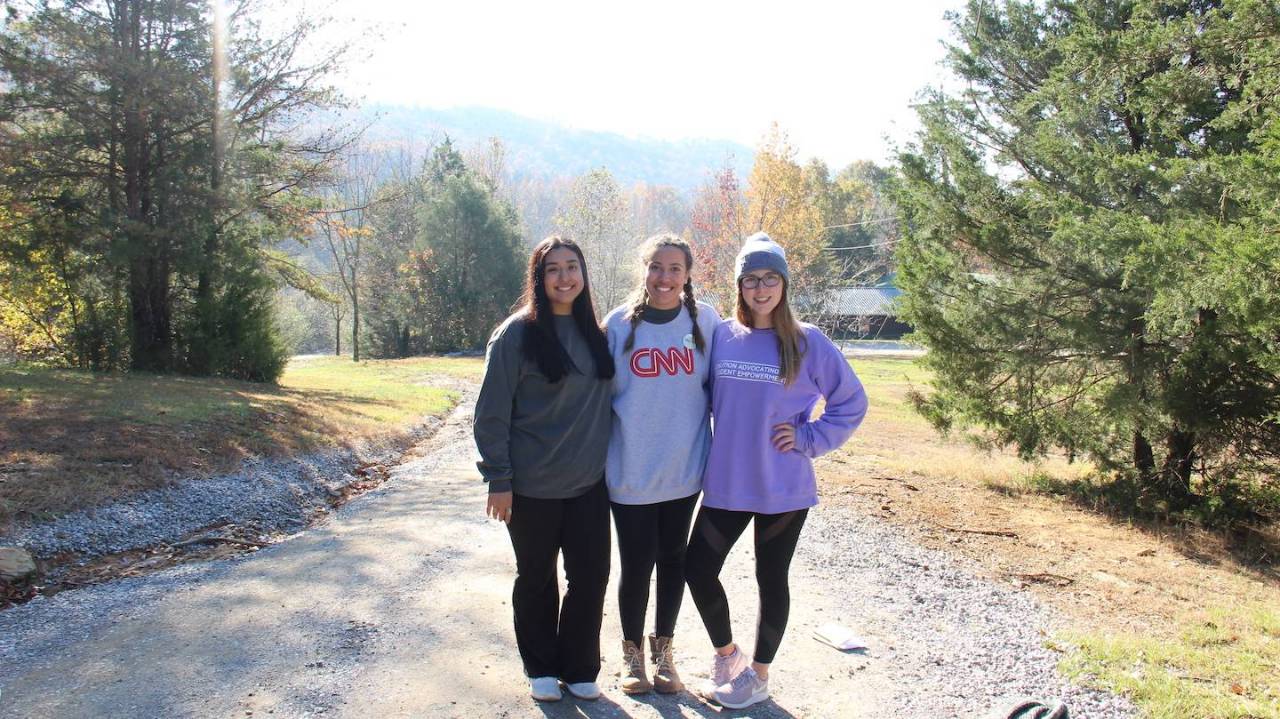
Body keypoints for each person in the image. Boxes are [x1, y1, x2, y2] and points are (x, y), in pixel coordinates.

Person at [684, 232, 868, 709]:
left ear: (784, 284)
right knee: (697, 569)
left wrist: (809, 438)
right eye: (750, 279)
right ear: (739, 286)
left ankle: (759, 676)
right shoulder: (723, 336)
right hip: (725, 483)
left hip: (783, 487)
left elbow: (851, 402)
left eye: (770, 278)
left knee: (772, 579)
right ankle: (729, 657)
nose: (760, 288)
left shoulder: (809, 342)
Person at [473, 236, 616, 703]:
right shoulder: (516, 335)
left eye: (572, 266)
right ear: (539, 277)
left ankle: (579, 668)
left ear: (584, 274)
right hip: (531, 488)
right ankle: (540, 667)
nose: (564, 277)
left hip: (589, 486)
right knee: (536, 578)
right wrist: (499, 479)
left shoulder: (598, 332)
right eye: (552, 268)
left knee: (590, 578)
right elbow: (491, 413)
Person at [603, 234, 720, 695]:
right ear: (643, 269)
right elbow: (598, 398)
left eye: (674, 268)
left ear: (688, 273)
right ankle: (632, 656)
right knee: (636, 564)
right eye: (656, 267)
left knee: (673, 560)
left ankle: (664, 652)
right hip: (630, 471)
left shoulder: (705, 321)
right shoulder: (617, 326)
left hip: (683, 470)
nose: (664, 277)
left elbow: (723, 388)